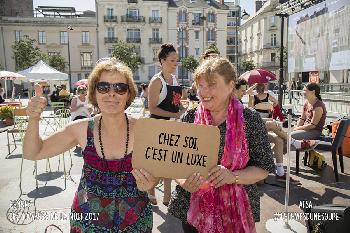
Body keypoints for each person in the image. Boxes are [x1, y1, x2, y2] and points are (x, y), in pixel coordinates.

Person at [23, 58, 157, 232]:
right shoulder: (81, 129)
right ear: (94, 92)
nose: (112, 93)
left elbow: (156, 174)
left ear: (129, 93)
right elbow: (33, 152)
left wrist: (151, 183)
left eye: (120, 88)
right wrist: (33, 119)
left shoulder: (145, 129)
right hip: (88, 222)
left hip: (134, 222)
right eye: (103, 87)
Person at [168, 57, 275, 233]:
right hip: (193, 212)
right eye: (201, 85)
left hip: (236, 212)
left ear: (231, 85)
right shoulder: (190, 118)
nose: (204, 91)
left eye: (211, 84)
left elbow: (263, 168)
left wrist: (232, 177)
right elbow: (175, 163)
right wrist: (183, 181)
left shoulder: (250, 119)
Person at [148, 43, 186, 206]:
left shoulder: (175, 79)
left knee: (170, 163)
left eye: (177, 60)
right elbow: (152, 108)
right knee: (157, 166)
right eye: (172, 60)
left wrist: (184, 109)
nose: (175, 64)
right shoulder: (156, 81)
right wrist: (175, 114)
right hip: (157, 127)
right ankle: (150, 191)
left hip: (172, 126)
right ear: (162, 61)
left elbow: (176, 103)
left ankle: (167, 196)